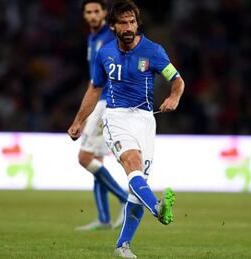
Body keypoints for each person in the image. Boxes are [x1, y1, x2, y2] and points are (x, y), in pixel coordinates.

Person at [68, 0, 185, 257]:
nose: (129, 26)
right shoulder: (105, 53)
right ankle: (157, 208)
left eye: (132, 21)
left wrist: (174, 97)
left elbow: (177, 81)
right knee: (131, 163)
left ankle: (122, 246)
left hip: (145, 120)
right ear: (113, 26)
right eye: (123, 22)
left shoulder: (154, 51)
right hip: (116, 117)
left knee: (137, 186)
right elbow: (95, 88)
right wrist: (79, 120)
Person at [75, 0, 128, 232]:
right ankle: (104, 218)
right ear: (84, 15)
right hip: (98, 102)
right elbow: (93, 78)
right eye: (89, 12)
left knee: (85, 158)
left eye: (97, 11)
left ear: (105, 13)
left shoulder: (110, 37)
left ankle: (125, 198)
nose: (93, 15)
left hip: (107, 101)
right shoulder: (92, 38)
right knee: (97, 160)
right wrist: (85, 111)